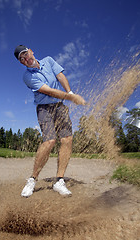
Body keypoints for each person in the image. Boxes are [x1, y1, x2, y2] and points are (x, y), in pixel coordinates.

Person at [14, 45, 86, 197]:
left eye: (25, 53)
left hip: (59, 106)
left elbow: (60, 76)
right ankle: (32, 179)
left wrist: (70, 92)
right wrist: (72, 98)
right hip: (44, 108)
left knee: (67, 139)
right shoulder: (28, 77)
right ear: (21, 63)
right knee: (50, 141)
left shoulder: (48, 61)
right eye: (22, 58)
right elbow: (49, 91)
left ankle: (59, 181)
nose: (25, 58)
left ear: (31, 51)